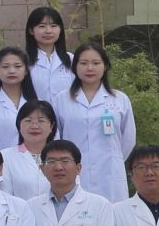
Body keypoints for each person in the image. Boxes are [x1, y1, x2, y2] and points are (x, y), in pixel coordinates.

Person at [55, 44, 136, 200]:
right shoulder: (62, 99)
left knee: (111, 212)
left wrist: (112, 158)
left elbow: (128, 139)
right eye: (83, 63)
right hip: (73, 172)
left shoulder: (120, 99)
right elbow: (57, 136)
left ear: (105, 66)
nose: (90, 68)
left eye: (96, 63)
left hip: (109, 173)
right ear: (75, 67)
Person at [25, 6, 75, 100]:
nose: (48, 31)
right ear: (31, 30)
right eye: (42, 26)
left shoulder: (71, 59)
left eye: (53, 26)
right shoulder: (23, 60)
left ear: (60, 29)